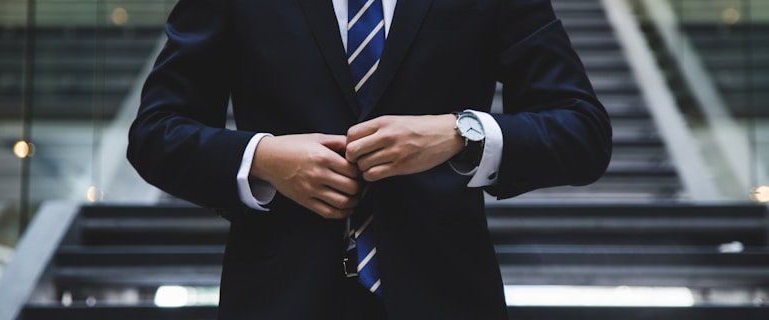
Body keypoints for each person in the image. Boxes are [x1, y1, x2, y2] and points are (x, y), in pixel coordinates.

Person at [127, 0, 612, 319]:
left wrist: (461, 132)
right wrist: (262, 157)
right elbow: (155, 132)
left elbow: (582, 130)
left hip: (447, 297)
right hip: (278, 297)